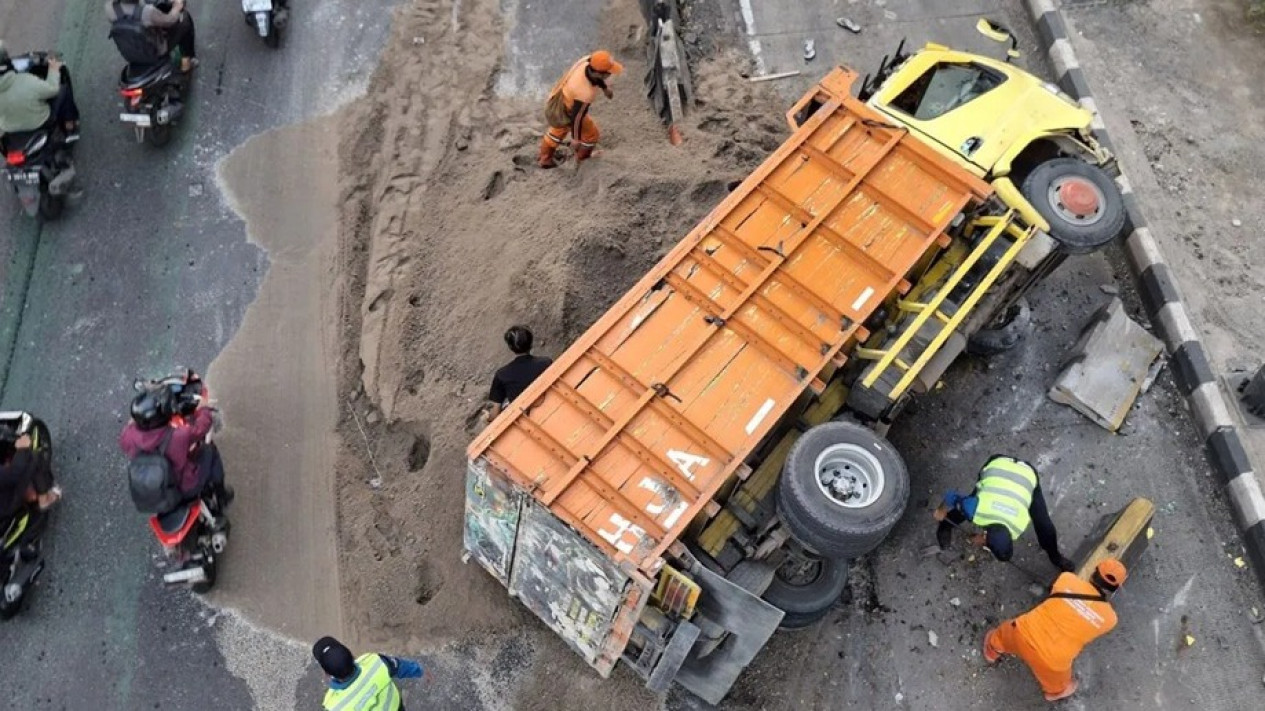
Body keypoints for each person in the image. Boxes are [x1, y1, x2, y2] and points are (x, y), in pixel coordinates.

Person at [983, 558, 1126, 701]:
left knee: (998, 638)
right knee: (1063, 687)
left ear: (1093, 573)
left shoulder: (1067, 579)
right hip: (1052, 662)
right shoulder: (1110, 619)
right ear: (1114, 590)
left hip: (1021, 632)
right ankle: (1054, 692)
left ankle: (992, 652)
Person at [934, 454, 1075, 571]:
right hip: (997, 465)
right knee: (964, 509)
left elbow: (994, 534)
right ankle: (945, 526)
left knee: (1045, 526)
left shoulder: (1018, 524)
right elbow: (951, 496)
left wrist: (984, 538)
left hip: (1026, 475)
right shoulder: (976, 509)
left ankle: (1055, 557)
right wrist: (941, 511)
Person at [118, 372, 231, 508]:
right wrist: (203, 408)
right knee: (210, 451)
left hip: (156, 488)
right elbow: (202, 426)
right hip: (185, 487)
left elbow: (131, 425)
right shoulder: (178, 436)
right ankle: (222, 495)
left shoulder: (128, 437)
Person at [538, 50, 623, 169]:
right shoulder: (585, 93)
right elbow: (577, 117)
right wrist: (576, 138)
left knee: (558, 129)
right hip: (569, 109)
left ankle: (545, 158)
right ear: (599, 73)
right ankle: (583, 160)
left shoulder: (586, 61)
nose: (610, 74)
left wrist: (604, 87)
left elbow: (593, 77)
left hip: (560, 95)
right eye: (608, 72)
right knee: (592, 135)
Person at [313, 636, 425, 711]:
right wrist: (420, 671)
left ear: (326, 673)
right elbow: (400, 667)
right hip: (395, 707)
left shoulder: (332, 705)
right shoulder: (375, 662)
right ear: (352, 655)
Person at [0, 42, 80, 142]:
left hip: (10, 128)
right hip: (40, 121)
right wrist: (53, 69)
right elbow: (53, 89)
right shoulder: (25, 81)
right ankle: (70, 127)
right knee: (63, 90)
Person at [0, 426, 60, 538]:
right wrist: (21, 449)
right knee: (34, 457)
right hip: (7, 504)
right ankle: (44, 499)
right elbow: (14, 474)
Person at [105, 0, 198, 73]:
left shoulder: (110, 8)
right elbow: (170, 20)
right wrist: (177, 7)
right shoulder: (148, 12)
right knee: (184, 19)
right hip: (155, 51)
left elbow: (128, 19)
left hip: (130, 53)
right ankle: (187, 61)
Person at [483, 326, 552, 423]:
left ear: (511, 347)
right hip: (551, 408)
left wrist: (488, 418)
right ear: (531, 343)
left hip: (527, 421)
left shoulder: (502, 374)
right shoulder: (546, 363)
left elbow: (495, 413)